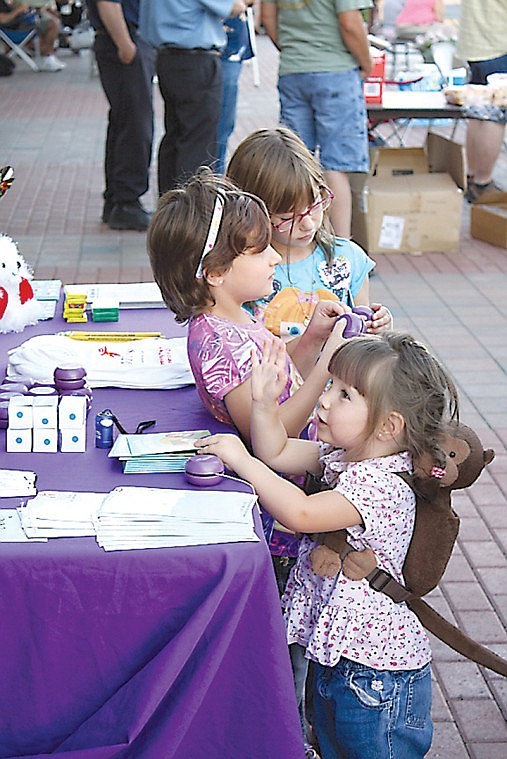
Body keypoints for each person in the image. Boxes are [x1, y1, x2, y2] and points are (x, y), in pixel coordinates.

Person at [147, 169, 350, 756]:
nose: (272, 262)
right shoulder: (219, 341)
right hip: (278, 502)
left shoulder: (238, 320)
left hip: (293, 477)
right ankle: (287, 733)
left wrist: (310, 338)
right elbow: (271, 434)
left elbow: (275, 382)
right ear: (213, 271)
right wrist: (325, 369)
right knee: (288, 631)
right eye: (259, 252)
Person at [196, 331, 461, 758]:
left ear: (389, 424)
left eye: (344, 395)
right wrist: (264, 403)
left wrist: (240, 462)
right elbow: (277, 451)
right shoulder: (345, 456)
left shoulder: (379, 485)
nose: (324, 400)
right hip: (341, 657)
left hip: (376, 676)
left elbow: (299, 513)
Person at [226, 127, 393, 367]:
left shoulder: (348, 258)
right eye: (288, 217)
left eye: (315, 205)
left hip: (337, 395)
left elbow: (362, 339)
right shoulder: (243, 271)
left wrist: (377, 325)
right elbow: (246, 361)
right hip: (277, 397)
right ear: (252, 212)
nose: (307, 223)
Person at [261, 0, 372, 238]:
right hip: (335, 70)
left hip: (293, 70)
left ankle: (293, 239)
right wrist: (366, 62)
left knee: (295, 160)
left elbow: (267, 18)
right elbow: (350, 23)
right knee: (337, 165)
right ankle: (339, 248)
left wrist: (295, 49)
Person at [138, 0, 247, 196]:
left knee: (176, 136)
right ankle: (191, 212)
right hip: (197, 59)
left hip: (168, 57)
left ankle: (170, 208)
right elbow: (236, 6)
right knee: (198, 143)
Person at [87, 0, 156, 231]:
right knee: (136, 124)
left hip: (123, 37)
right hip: (123, 38)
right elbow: (107, 3)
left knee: (124, 121)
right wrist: (125, 44)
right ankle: (126, 202)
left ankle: (117, 199)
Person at [457, 0, 506, 202]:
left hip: (474, 43)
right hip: (498, 41)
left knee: (478, 111)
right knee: (496, 113)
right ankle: (483, 183)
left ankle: (472, 176)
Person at [216, 11, 254, 174]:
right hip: (209, 45)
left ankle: (214, 184)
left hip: (230, 46)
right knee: (218, 127)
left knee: (223, 127)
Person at [0, 0, 65, 71]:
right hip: (13, 31)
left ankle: (48, 56)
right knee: (51, 24)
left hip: (21, 24)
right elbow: (3, 19)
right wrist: (19, 10)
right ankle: (46, 57)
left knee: (52, 21)